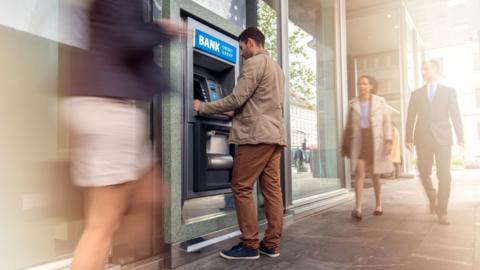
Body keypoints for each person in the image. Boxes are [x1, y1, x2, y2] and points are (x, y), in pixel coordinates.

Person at [63, 1, 185, 269]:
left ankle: (122, 261)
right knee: (102, 224)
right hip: (107, 108)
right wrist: (161, 29)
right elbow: (127, 38)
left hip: (108, 107)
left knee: (152, 195)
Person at [192, 27, 286, 260]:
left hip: (256, 136)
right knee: (272, 190)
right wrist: (235, 114)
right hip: (274, 135)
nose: (241, 53)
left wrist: (203, 107)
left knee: (242, 187)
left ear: (251, 43)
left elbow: (236, 98)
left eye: (242, 47)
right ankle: (271, 244)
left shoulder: (254, 64)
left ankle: (250, 244)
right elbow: (259, 102)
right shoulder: (276, 67)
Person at [405, 60, 464, 226]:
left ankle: (442, 211)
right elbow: (410, 117)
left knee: (444, 175)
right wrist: (408, 137)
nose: (423, 72)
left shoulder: (448, 91)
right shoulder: (416, 94)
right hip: (422, 138)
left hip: (443, 138)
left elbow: (456, 115)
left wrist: (461, 138)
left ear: (435, 71)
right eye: (422, 69)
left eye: (425, 69)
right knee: (423, 171)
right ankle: (433, 196)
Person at [342, 75, 393, 221]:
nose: (361, 86)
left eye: (365, 84)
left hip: (375, 140)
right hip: (359, 141)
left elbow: (387, 123)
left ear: (371, 86)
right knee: (360, 173)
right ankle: (358, 208)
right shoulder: (353, 103)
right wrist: (345, 144)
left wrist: (388, 140)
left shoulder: (380, 102)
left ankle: (378, 205)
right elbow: (349, 126)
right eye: (359, 84)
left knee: (375, 174)